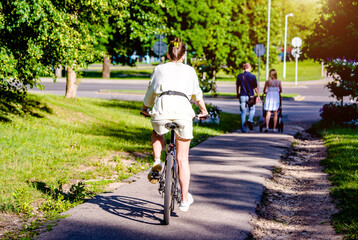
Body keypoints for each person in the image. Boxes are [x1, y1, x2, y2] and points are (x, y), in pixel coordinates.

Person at [140, 38, 208, 212]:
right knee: (182, 159)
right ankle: (185, 199)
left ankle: (157, 161)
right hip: (183, 114)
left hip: (161, 111)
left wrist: (145, 108)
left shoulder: (159, 69)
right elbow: (197, 94)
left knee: (157, 130)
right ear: (183, 55)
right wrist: (203, 111)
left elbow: (151, 91)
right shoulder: (190, 70)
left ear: (168, 54)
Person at [236, 63, 261, 133]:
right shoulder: (252, 76)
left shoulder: (239, 76)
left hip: (242, 96)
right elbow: (255, 87)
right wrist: (258, 95)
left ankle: (243, 130)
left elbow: (237, 86)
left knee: (243, 112)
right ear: (249, 67)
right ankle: (250, 120)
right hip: (251, 96)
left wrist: (237, 93)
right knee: (252, 109)